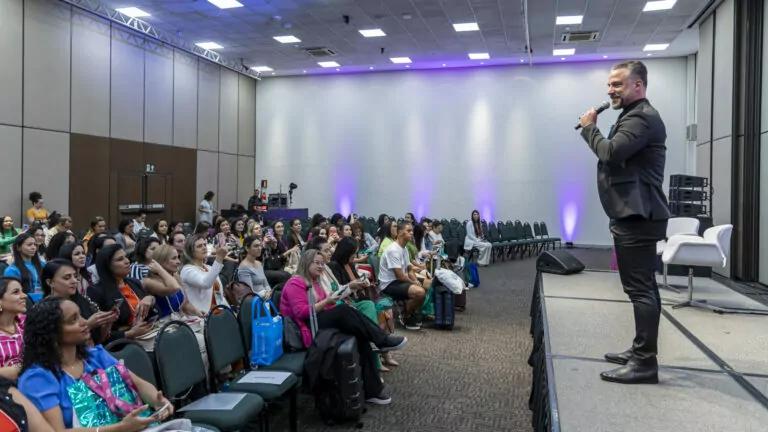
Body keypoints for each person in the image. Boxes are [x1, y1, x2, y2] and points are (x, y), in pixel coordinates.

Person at [578, 60, 669, 385]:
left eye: (617, 84)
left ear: (638, 85)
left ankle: (644, 363)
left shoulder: (642, 118)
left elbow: (611, 152)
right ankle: (640, 350)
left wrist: (589, 128)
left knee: (640, 289)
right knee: (643, 287)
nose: (610, 90)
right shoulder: (634, 115)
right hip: (634, 214)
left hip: (638, 215)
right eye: (609, 84)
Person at [18, 297, 174, 430]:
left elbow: (137, 383)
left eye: (80, 315)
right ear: (51, 333)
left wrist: (157, 400)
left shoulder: (95, 356)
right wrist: (120, 428)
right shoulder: (37, 379)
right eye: (73, 320)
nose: (84, 322)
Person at [280, 249, 407, 405]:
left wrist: (335, 298)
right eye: (316, 263)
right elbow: (302, 313)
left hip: (316, 323)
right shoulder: (295, 283)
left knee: (360, 337)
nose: (321, 266)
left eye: (322, 263)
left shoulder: (314, 281)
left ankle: (373, 391)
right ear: (306, 263)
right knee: (343, 311)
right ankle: (382, 340)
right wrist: (327, 302)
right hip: (305, 330)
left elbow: (324, 307)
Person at [88, 244, 156, 342]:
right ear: (107, 266)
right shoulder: (96, 291)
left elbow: (155, 312)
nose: (127, 261)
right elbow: (98, 335)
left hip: (148, 335)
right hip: (123, 345)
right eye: (120, 259)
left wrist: (150, 299)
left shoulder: (134, 282)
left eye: (126, 257)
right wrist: (128, 334)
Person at [42, 259, 116, 345]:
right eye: (67, 278)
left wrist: (107, 322)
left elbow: (99, 340)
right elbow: (55, 344)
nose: (74, 281)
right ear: (50, 282)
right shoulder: (45, 309)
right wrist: (88, 325)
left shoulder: (82, 300)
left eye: (75, 276)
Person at [378, 222, 426, 330]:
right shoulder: (393, 250)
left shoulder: (404, 248)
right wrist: (414, 283)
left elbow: (409, 269)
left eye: (412, 231)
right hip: (389, 284)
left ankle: (412, 310)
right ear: (400, 233)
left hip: (399, 281)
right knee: (420, 292)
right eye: (408, 231)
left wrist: (415, 280)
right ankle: (405, 315)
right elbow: (399, 276)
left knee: (428, 284)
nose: (412, 233)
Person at [144, 245, 204, 319]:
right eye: (174, 258)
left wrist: (198, 313)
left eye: (178, 257)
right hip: (162, 323)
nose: (178, 262)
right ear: (161, 261)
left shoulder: (175, 276)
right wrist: (160, 270)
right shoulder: (149, 281)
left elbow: (186, 304)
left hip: (177, 321)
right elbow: (174, 288)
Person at [180, 235, 229, 313]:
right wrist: (219, 258)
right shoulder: (187, 270)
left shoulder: (209, 268)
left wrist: (228, 310)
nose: (204, 248)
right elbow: (205, 283)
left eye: (205, 245)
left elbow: (220, 294)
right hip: (201, 315)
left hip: (219, 311)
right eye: (199, 246)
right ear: (191, 252)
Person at [0, 277, 27, 380]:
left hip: (35, 382)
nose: (24, 296)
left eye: (22, 291)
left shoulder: (27, 323)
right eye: (16, 292)